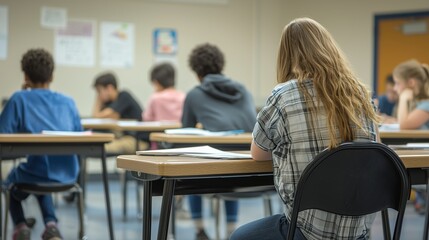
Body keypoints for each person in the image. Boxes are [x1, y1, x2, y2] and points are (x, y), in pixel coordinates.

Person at [230, 17, 379, 240]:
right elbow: (374, 149)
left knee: (239, 237)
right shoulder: (360, 95)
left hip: (306, 231)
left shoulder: (283, 95)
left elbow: (258, 153)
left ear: (287, 56)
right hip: (358, 232)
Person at [0, 48, 82, 240]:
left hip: (36, 173)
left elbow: (2, 135)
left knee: (11, 182)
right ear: (52, 76)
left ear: (26, 76)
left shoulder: (19, 98)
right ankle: (51, 226)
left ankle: (20, 226)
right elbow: (79, 136)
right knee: (42, 175)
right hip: (69, 175)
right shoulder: (68, 102)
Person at [182, 43, 257, 240]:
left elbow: (184, 133)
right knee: (232, 165)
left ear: (197, 72)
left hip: (213, 171)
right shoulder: (243, 90)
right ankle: (230, 231)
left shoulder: (194, 94)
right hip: (253, 171)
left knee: (188, 170)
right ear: (221, 66)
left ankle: (199, 230)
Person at [392, 59, 429, 214]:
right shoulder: (421, 103)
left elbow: (404, 125)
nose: (395, 88)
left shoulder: (426, 104)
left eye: (398, 83)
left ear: (411, 83)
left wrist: (404, 98)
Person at [92, 72, 146, 153]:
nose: (99, 95)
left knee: (101, 147)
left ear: (109, 88)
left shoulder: (124, 96)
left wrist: (98, 100)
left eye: (99, 91)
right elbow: (96, 119)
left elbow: (98, 116)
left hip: (137, 140)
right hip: (123, 137)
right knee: (93, 144)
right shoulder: (109, 102)